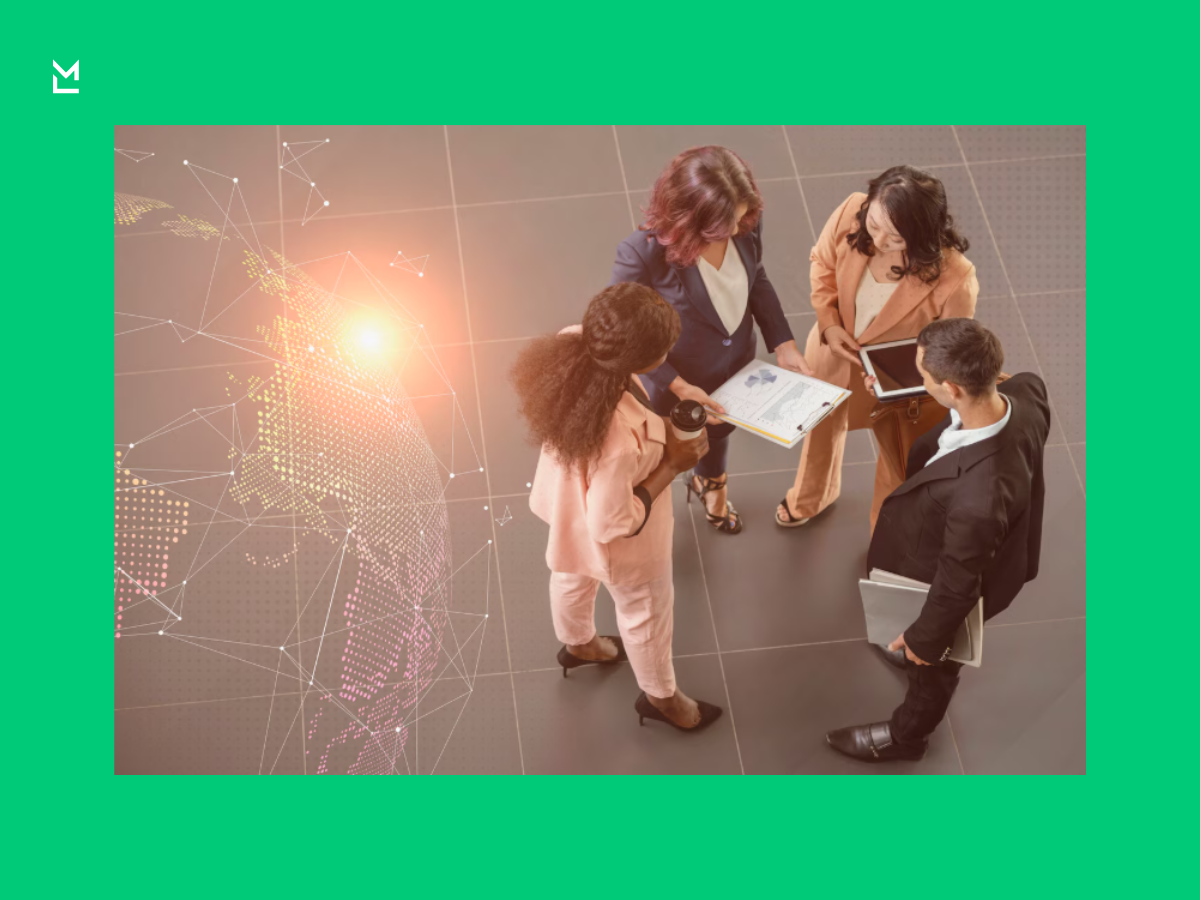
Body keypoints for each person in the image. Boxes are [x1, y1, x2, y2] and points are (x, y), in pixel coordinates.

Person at [825, 319, 1050, 763]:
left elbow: (956, 586)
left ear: (953, 388)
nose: (918, 380)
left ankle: (907, 736)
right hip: (976, 540)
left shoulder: (979, 501)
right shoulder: (1027, 391)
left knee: (937, 667)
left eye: (922, 376)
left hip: (949, 577)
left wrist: (924, 642)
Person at [514, 282, 724, 731]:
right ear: (640, 359)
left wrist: (676, 408)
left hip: (565, 510)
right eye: (665, 349)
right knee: (644, 613)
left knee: (570, 573)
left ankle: (578, 644)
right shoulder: (620, 447)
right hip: (622, 545)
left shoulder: (578, 341)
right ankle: (663, 699)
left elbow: (629, 404)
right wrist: (673, 463)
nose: (670, 353)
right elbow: (613, 522)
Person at [611, 145, 811, 535]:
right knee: (667, 450)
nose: (738, 231)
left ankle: (711, 484)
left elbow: (758, 278)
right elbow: (624, 335)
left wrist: (783, 343)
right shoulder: (641, 254)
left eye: (740, 220)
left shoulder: (745, 220)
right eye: (725, 227)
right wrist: (680, 385)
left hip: (735, 363)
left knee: (718, 432)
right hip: (673, 380)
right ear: (689, 220)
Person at [777, 165, 979, 533]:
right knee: (819, 431)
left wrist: (901, 378)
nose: (881, 241)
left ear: (922, 236)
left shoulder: (956, 276)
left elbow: (948, 348)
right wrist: (829, 323)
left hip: (895, 383)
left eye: (897, 238)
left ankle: (883, 533)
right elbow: (822, 263)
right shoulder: (851, 211)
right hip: (831, 354)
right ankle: (811, 497)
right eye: (874, 225)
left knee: (895, 459)